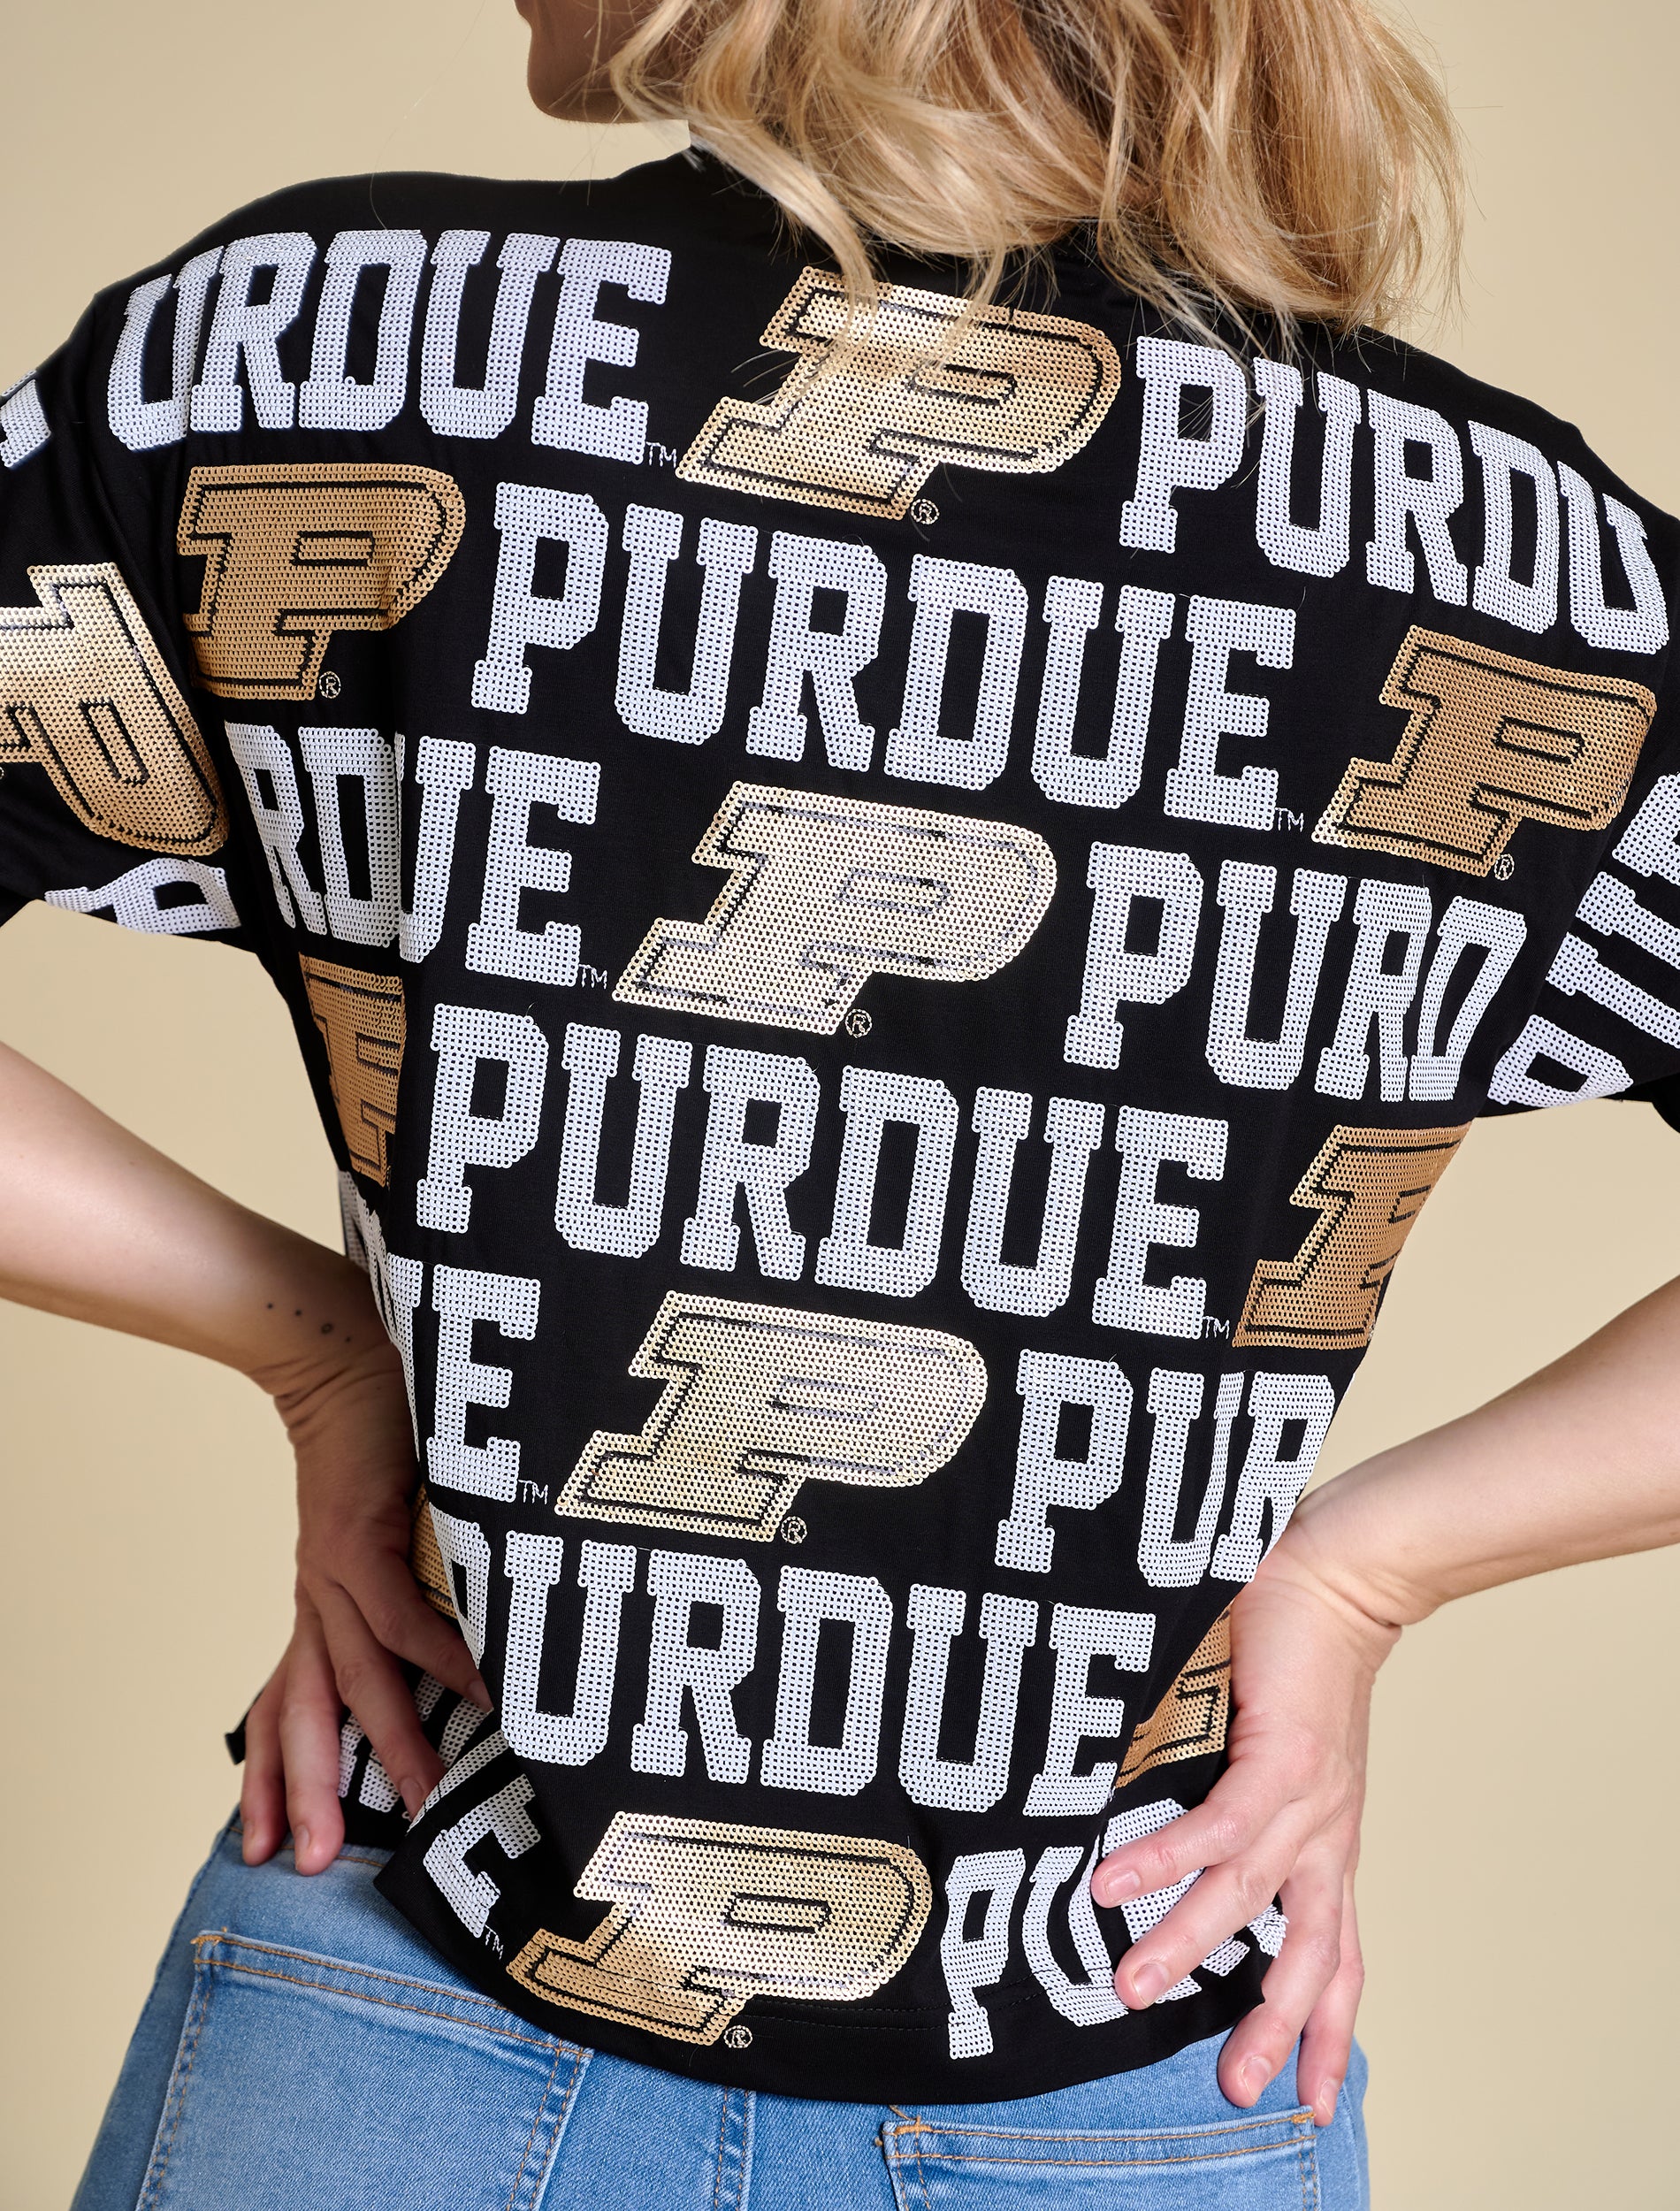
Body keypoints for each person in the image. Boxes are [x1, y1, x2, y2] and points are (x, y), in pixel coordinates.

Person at [3, 0, 1677, 2202]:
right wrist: (1363, 1572)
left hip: (407, 1979)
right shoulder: (1517, 560)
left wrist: (320, 1348)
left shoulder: (316, 354)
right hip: (1126, 2028)